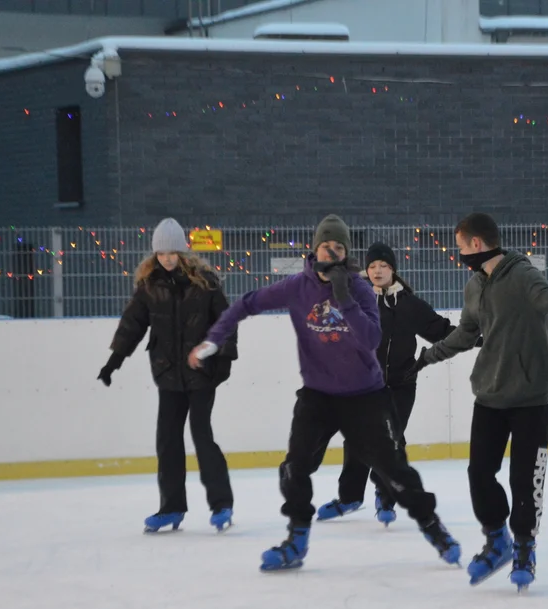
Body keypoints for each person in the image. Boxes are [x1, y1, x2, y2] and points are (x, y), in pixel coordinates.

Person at [188, 215, 461, 572]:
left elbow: (371, 340)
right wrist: (213, 339)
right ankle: (297, 537)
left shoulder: (360, 289)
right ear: (314, 249)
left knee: (395, 469)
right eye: (326, 246)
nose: (332, 252)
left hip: (365, 395)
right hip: (318, 395)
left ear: (346, 254)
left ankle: (433, 527)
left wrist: (344, 296)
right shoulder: (296, 287)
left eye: (340, 248)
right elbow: (246, 303)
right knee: (295, 466)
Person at [416, 212, 548, 591]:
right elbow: (465, 334)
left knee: (524, 479)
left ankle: (525, 548)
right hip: (489, 396)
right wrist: (425, 359)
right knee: (479, 474)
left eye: (461, 246)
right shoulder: (474, 286)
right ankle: (497, 541)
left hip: (530, 397)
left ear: (477, 244)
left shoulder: (523, 276)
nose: (459, 253)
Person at [98, 217, 237, 534]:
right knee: (168, 441)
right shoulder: (149, 287)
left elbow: (226, 323)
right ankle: (171, 507)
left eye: (173, 252)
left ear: (183, 252)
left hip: (202, 373)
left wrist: (223, 361)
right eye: (161, 254)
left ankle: (221, 504)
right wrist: (113, 362)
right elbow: (131, 325)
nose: (167, 258)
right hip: (168, 374)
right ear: (154, 255)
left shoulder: (206, 282)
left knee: (202, 437)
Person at [316, 241, 456, 527]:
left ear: (393, 270)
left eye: (383, 266)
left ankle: (385, 496)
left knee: (390, 440)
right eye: (372, 266)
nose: (377, 271)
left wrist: (480, 336)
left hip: (401, 385)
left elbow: (440, 330)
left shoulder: (409, 305)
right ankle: (350, 497)